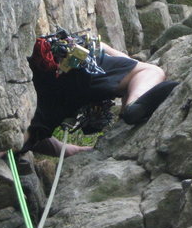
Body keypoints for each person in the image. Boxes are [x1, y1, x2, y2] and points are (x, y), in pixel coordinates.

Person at [18, 29, 178, 157]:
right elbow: (128, 63)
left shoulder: (37, 122)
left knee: (23, 137)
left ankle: (0, 150)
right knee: (149, 70)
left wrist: (72, 150)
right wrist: (128, 97)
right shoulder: (113, 57)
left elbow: (38, 137)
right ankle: (134, 102)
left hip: (43, 74)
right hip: (80, 64)